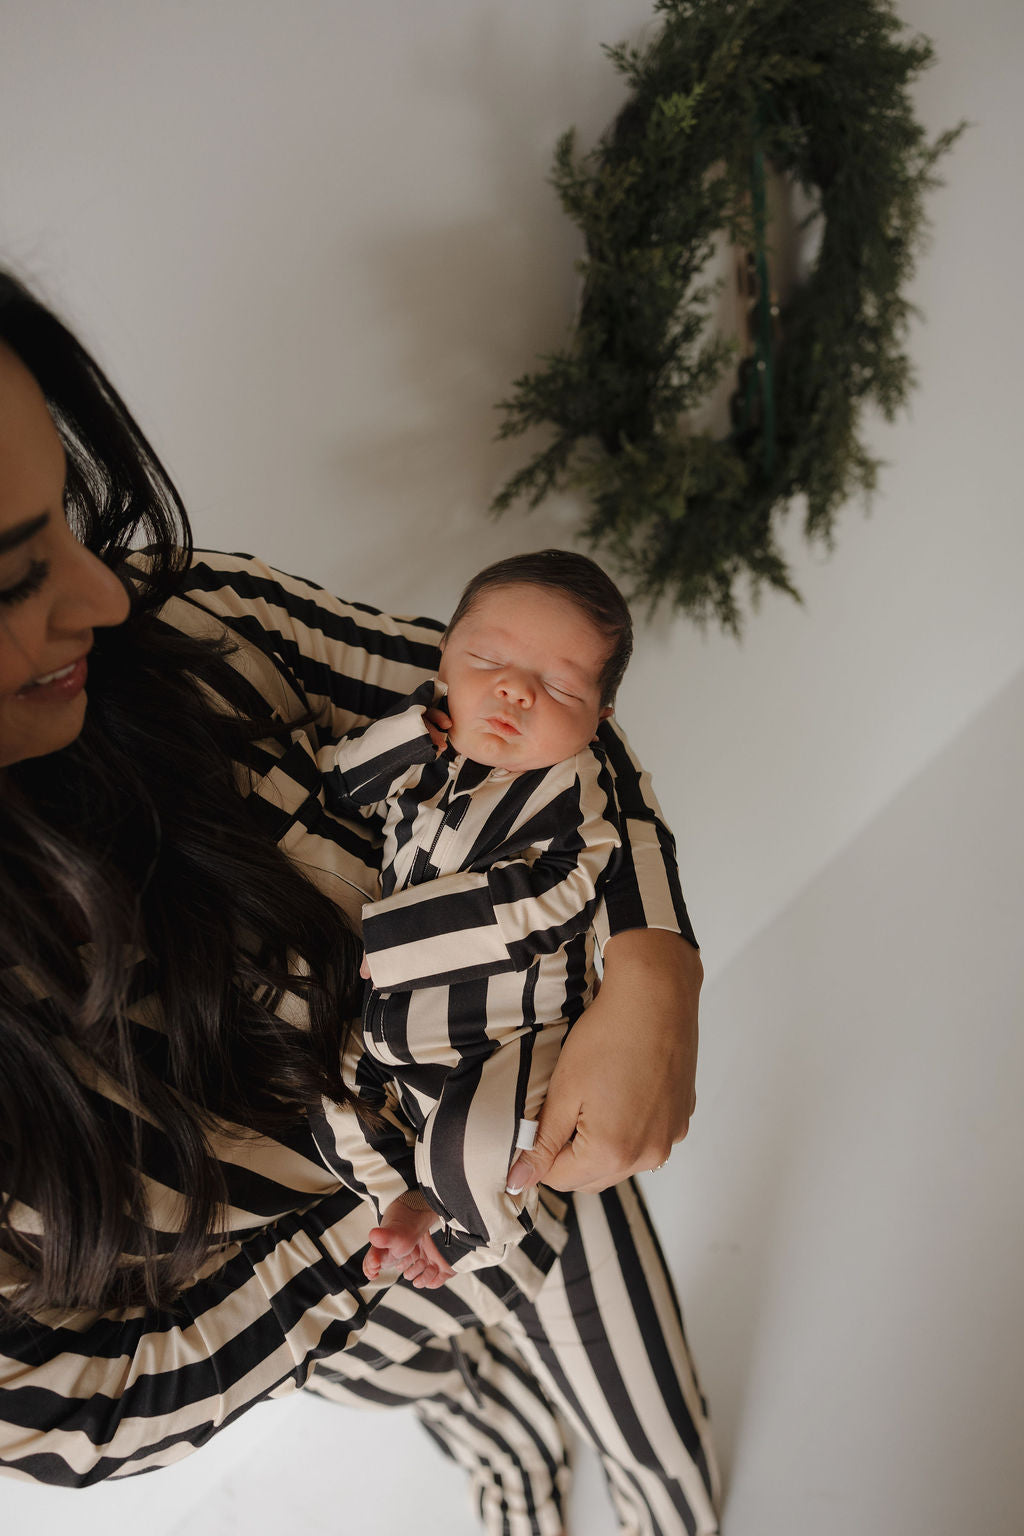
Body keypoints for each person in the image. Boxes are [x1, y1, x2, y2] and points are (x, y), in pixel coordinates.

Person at [0, 269, 720, 1536]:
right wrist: (408, 1218)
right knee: (471, 1418)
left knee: (653, 1423)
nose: (105, 590)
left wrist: (654, 959)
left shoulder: (191, 627)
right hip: (356, 1318)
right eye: (14, 574)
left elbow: (534, 711)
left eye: (65, 515)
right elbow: (74, 1405)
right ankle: (514, 1482)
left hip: (536, 1152)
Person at [319, 549, 636, 1282]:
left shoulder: (576, 796)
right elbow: (339, 790)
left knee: (477, 1142)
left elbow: (548, 900)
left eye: (558, 686)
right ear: (445, 657)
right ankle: (399, 1197)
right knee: (326, 1095)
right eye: (487, 658)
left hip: (505, 1040)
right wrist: (403, 738)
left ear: (600, 719)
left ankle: (464, 1239)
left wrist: (392, 941)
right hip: (390, 1027)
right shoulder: (421, 745)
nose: (514, 691)